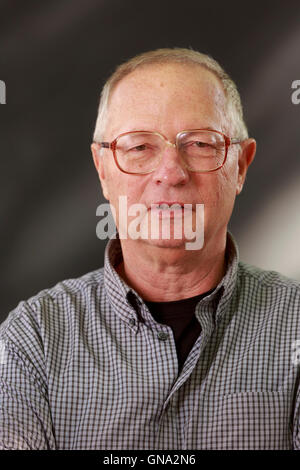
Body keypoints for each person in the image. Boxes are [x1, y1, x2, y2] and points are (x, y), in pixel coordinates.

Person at [0, 47, 299, 450]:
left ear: (240, 165)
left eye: (200, 144)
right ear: (103, 171)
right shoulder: (30, 342)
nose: (171, 173)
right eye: (139, 147)